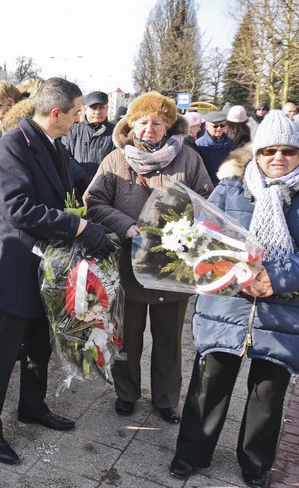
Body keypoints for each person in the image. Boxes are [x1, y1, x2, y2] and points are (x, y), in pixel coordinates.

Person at [169, 110, 299, 487]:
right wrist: (237, 272)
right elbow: (207, 235)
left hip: (287, 310)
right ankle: (191, 453)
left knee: (267, 395)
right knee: (209, 384)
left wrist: (275, 276)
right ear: (256, 154)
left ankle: (254, 464)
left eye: (288, 151)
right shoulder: (230, 188)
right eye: (269, 150)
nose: (278, 158)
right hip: (228, 303)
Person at [0, 78, 116, 464]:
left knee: (40, 343)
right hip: (20, 267)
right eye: (74, 114)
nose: (78, 120)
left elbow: (76, 181)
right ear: (55, 113)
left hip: (49, 268)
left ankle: (32, 407)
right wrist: (81, 228)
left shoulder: (54, 143)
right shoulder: (11, 146)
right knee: (5, 352)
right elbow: (19, 208)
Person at [84, 91, 213, 425]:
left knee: (169, 338)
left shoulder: (189, 159)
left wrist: (187, 228)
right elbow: (94, 202)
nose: (149, 128)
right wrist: (125, 227)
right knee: (127, 335)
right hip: (128, 264)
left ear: (169, 126)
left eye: (157, 122)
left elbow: (209, 204)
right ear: (131, 124)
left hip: (174, 267)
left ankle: (166, 398)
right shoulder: (115, 160)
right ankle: (127, 393)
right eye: (142, 121)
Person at [62, 90, 115, 193]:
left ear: (107, 109)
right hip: (76, 191)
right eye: (93, 108)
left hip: (106, 191)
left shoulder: (116, 133)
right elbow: (65, 157)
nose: (98, 112)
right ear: (85, 109)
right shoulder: (72, 131)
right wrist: (83, 178)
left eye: (101, 107)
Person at [196, 110, 237, 185]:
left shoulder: (231, 143)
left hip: (228, 184)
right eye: (215, 126)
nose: (219, 128)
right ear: (206, 126)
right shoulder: (200, 145)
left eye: (222, 126)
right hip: (209, 185)